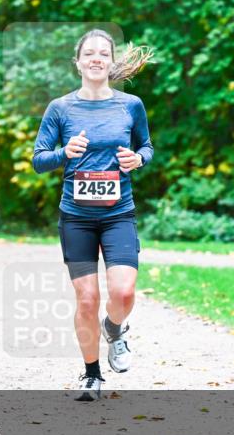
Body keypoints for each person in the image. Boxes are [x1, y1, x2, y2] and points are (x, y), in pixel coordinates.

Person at [32, 29, 154, 402]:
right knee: (86, 298)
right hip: (76, 217)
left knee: (123, 291)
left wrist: (139, 159)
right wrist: (64, 152)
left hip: (118, 213)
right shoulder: (61, 108)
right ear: (79, 61)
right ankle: (92, 374)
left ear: (111, 60)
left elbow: (146, 146)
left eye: (104, 53)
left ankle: (114, 329)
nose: (97, 58)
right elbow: (39, 160)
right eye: (90, 53)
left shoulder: (130, 105)